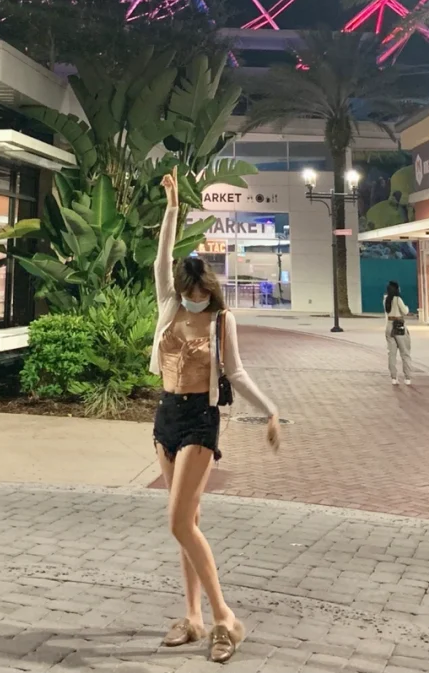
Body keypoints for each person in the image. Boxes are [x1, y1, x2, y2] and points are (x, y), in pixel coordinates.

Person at [153, 168, 280, 664]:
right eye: (190, 292)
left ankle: (225, 618)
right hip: (165, 415)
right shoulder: (168, 305)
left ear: (209, 289)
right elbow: (162, 257)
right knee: (191, 520)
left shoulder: (223, 318)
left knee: (179, 522)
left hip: (200, 420)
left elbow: (238, 373)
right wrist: (171, 208)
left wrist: (271, 411)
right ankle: (193, 616)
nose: (194, 298)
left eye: (201, 293)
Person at [384, 281, 413, 385]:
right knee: (405, 352)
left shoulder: (386, 300)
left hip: (389, 326)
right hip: (399, 326)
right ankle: (407, 377)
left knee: (391, 353)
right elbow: (405, 311)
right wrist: (407, 308)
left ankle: (393, 377)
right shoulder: (397, 299)